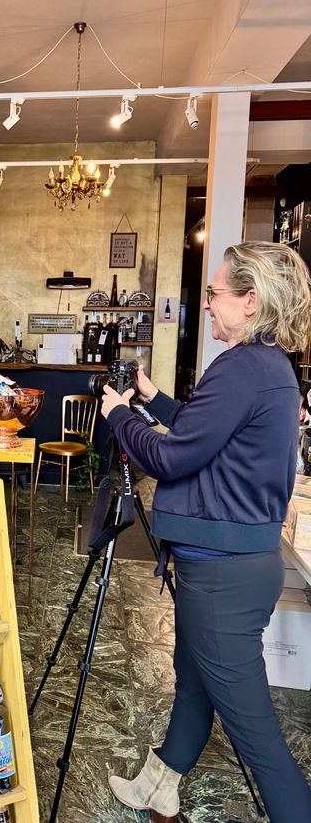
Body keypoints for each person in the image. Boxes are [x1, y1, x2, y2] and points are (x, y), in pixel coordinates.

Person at [100, 241, 311, 823]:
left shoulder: (243, 367)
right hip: (225, 566)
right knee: (193, 684)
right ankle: (157, 785)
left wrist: (118, 414)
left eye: (217, 293)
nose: (210, 303)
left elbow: (173, 458)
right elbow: (205, 431)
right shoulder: (265, 368)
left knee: (258, 739)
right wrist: (149, 398)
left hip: (223, 577)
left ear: (251, 301)